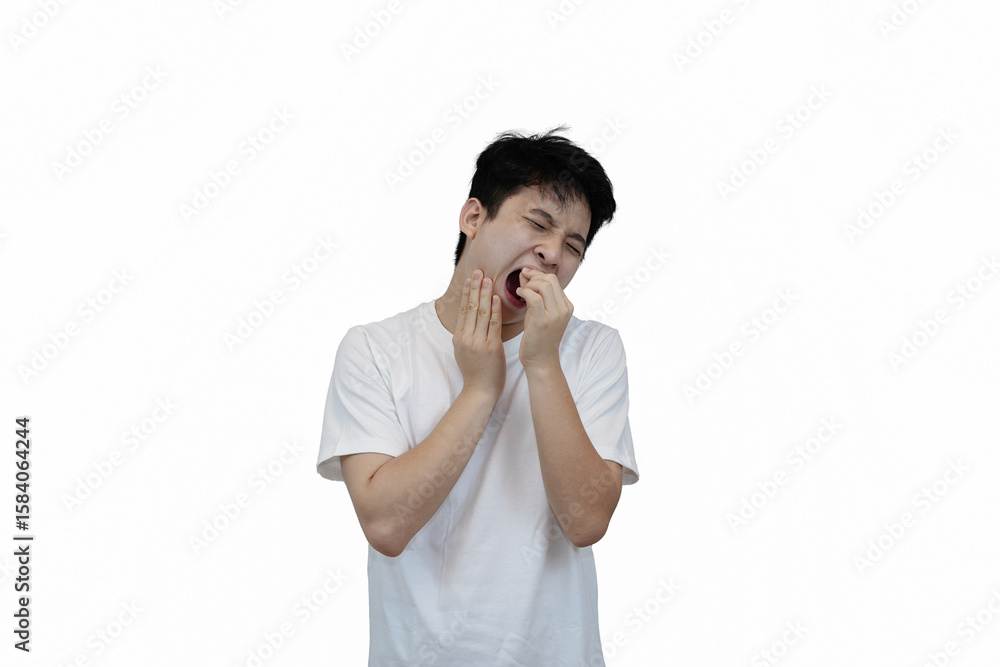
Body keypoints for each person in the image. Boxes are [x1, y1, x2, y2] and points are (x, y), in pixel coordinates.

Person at [317, 126, 639, 666]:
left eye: (573, 246)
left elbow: (586, 522)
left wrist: (542, 363)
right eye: (538, 223)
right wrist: (481, 388)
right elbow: (386, 525)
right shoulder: (374, 350)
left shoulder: (594, 350)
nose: (552, 254)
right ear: (473, 218)